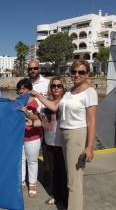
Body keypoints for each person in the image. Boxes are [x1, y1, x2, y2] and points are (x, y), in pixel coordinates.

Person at [30, 60, 98, 210]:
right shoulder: (70, 92)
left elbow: (92, 121)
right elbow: (54, 106)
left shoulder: (90, 92)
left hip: (76, 135)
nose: (76, 75)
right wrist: (36, 95)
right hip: (65, 135)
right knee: (69, 177)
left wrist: (90, 146)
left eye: (81, 72)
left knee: (74, 180)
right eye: (74, 71)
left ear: (87, 74)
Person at [27, 76, 68, 209]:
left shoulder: (64, 101)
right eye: (53, 86)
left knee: (64, 172)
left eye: (59, 86)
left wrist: (37, 95)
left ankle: (66, 199)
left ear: (63, 88)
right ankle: (56, 195)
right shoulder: (47, 102)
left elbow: (55, 108)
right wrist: (31, 121)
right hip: (50, 142)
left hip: (62, 143)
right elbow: (43, 122)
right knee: (54, 171)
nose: (56, 88)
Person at [16, 78, 42, 198]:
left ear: (30, 89)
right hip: (20, 135)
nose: (21, 91)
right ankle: (21, 181)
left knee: (32, 160)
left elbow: (38, 119)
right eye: (20, 88)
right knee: (21, 159)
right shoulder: (17, 101)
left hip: (33, 136)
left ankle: (32, 183)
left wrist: (27, 113)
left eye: (24, 88)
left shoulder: (36, 102)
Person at [27, 60, 51, 185]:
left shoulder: (47, 83)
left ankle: (47, 170)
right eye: (30, 69)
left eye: (35, 68)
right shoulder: (25, 84)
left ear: (39, 69)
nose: (33, 71)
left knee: (46, 147)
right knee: (31, 148)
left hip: (45, 119)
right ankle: (28, 174)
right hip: (30, 119)